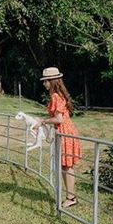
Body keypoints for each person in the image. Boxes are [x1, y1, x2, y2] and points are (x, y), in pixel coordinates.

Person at [36, 67, 81, 208]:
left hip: (64, 132)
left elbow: (59, 119)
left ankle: (71, 197)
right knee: (65, 166)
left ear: (53, 81)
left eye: (46, 81)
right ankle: (70, 196)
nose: (44, 84)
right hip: (66, 131)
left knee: (67, 166)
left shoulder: (55, 96)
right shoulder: (58, 94)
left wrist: (43, 121)